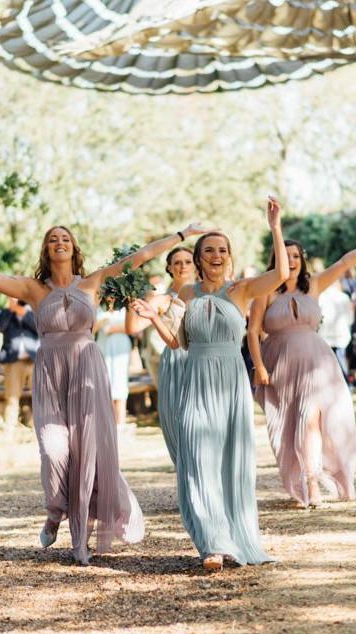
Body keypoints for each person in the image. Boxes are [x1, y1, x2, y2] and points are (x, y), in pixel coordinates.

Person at [0, 222, 207, 566]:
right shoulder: (33, 289)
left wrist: (182, 235)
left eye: (65, 239)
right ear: (46, 250)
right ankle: (54, 510)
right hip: (50, 376)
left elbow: (140, 256)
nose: (59, 243)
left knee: (87, 453)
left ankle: (80, 540)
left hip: (87, 371)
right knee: (53, 449)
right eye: (53, 239)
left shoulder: (93, 282)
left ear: (74, 248)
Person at [134, 197, 288, 571]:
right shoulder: (186, 294)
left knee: (230, 462)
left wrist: (275, 228)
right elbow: (178, 343)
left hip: (230, 384)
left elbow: (281, 273)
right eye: (209, 250)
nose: (216, 255)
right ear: (199, 258)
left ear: (229, 257)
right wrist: (153, 317)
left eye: (222, 250)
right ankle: (212, 544)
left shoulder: (242, 290)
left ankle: (235, 537)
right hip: (195, 382)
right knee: (197, 460)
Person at [249, 230, 356, 508]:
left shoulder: (313, 284)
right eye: (285, 256)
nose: (291, 261)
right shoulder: (264, 290)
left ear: (302, 260)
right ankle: (303, 477)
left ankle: (312, 482)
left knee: (310, 417)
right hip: (281, 364)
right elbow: (252, 332)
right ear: (275, 260)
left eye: (296, 256)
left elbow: (346, 262)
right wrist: (259, 366)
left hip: (317, 362)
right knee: (288, 425)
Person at [125, 246, 195, 464]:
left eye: (188, 261)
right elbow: (133, 327)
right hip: (175, 360)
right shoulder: (162, 299)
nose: (183, 266)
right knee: (177, 419)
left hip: (202, 358)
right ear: (169, 268)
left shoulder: (206, 293)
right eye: (177, 262)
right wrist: (129, 296)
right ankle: (184, 465)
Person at [0, 297, 40, 429]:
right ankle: (9, 428)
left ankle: (40, 427)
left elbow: (40, 328)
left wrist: (22, 312)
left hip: (34, 360)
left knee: (40, 397)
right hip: (14, 361)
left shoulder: (34, 311)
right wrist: (11, 310)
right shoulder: (4, 312)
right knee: (12, 397)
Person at [95, 303, 132, 425]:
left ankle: (120, 423)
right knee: (105, 383)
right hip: (103, 348)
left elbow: (132, 328)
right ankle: (108, 424)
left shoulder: (124, 308)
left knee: (120, 384)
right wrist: (102, 323)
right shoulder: (99, 308)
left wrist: (111, 328)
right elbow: (92, 328)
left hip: (120, 348)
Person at [318, 279, 354, 380]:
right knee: (341, 361)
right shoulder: (344, 297)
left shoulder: (321, 297)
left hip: (325, 336)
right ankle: (346, 382)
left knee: (327, 364)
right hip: (341, 335)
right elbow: (350, 318)